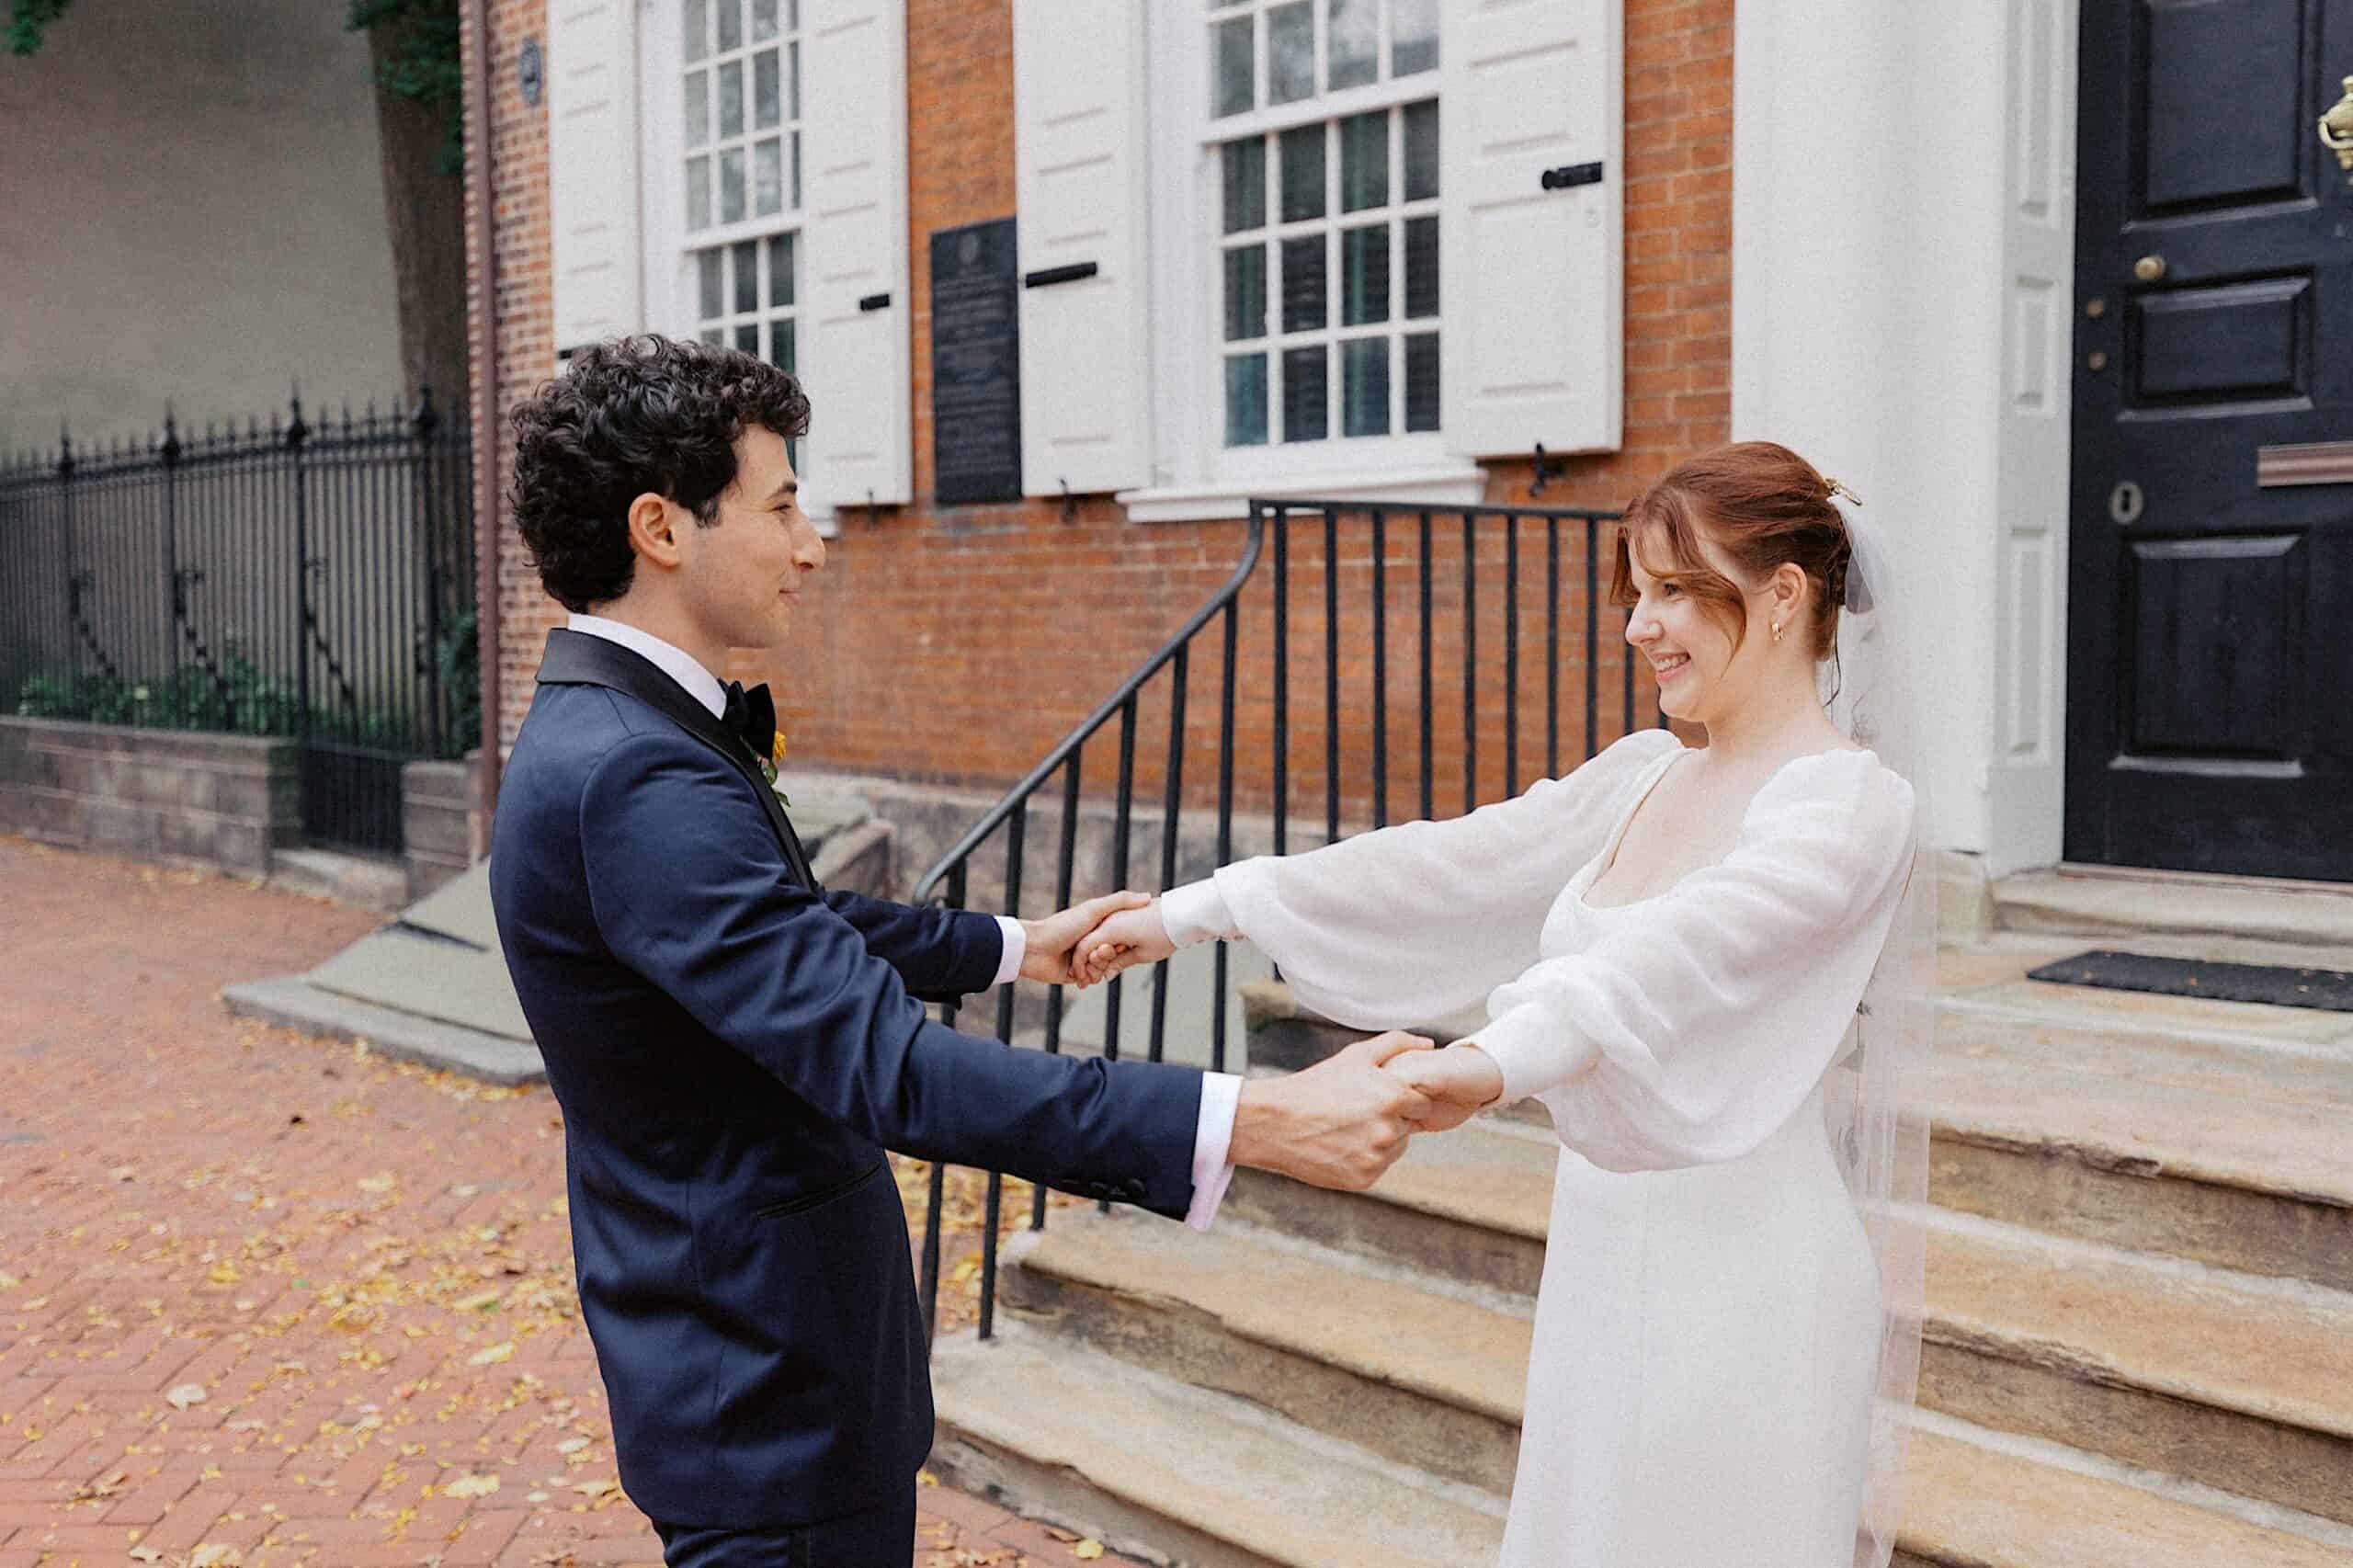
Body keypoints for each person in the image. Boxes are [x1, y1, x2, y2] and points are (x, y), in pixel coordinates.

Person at [486, 336, 1436, 1568]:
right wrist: (1252, 1118)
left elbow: (786, 928)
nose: (812, 543)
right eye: (782, 505)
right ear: (662, 528)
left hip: (756, 1367)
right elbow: (895, 1070)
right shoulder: (634, 770)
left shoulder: (611, 729)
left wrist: (1011, 945)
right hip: (763, 1390)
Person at [1076, 441, 1936, 1568]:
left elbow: (1685, 954)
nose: (1640, 623)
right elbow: (1451, 865)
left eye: (1677, 589)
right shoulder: (1642, 775)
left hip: (1751, 1281)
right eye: (1638, 590)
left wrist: (1490, 1059)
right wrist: (1198, 908)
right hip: (1601, 1251)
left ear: (1783, 596)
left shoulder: (1849, 806)